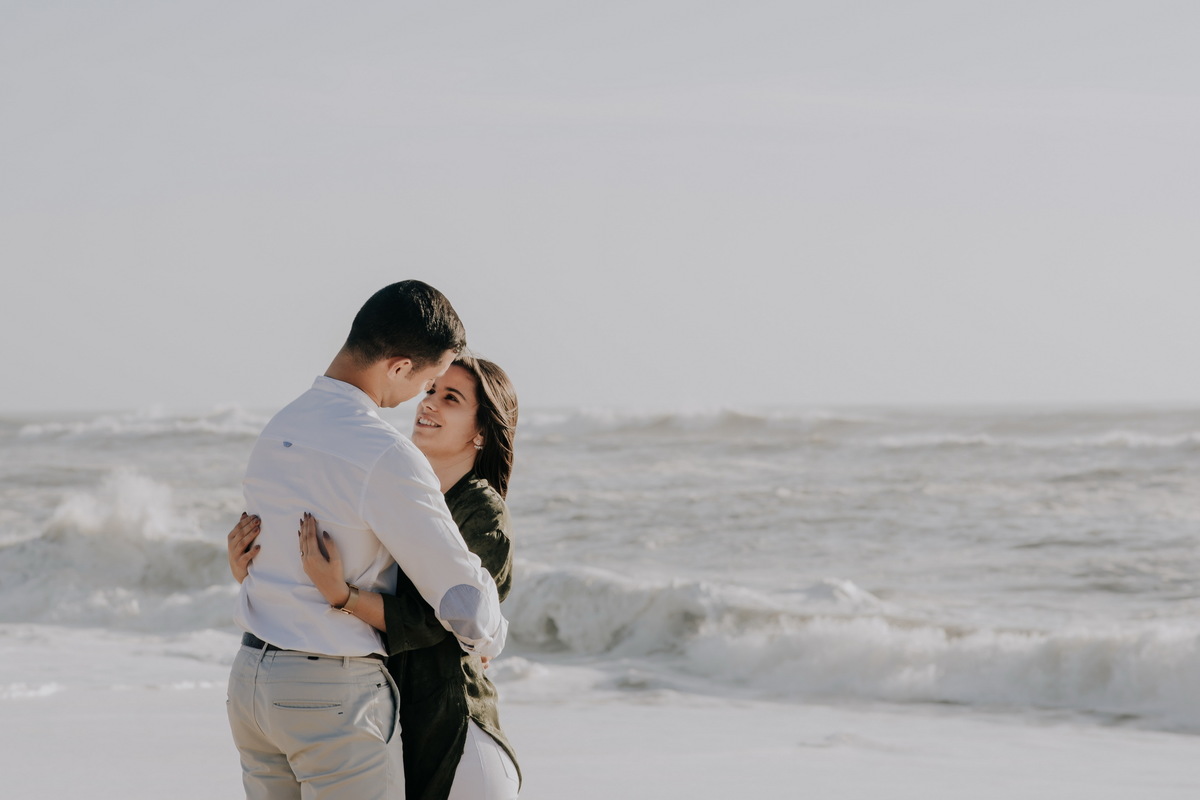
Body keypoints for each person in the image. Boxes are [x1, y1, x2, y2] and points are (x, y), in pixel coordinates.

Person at [226, 281, 508, 800]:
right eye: (427, 380)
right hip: (329, 693)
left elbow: (260, 552)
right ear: (399, 367)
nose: (420, 396)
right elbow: (464, 600)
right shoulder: (383, 452)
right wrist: (487, 638)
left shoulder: (279, 427)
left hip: (250, 685)